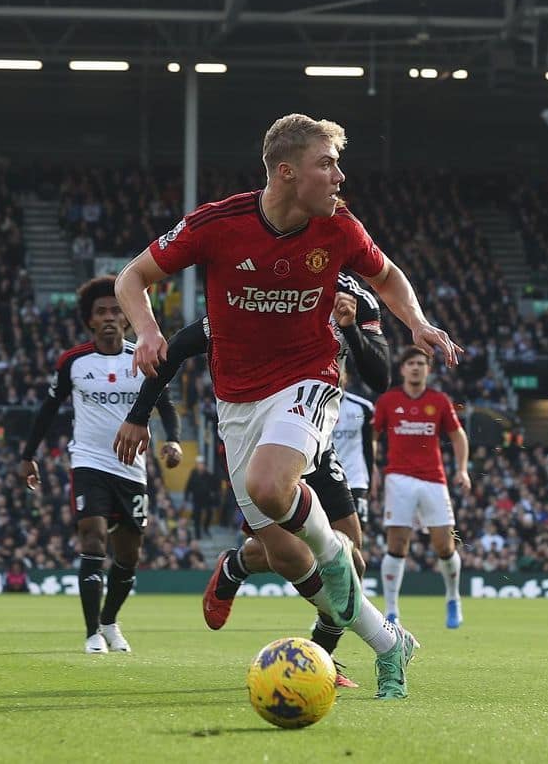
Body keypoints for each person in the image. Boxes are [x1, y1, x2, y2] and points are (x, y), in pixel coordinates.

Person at [113, 113, 459, 699]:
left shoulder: (340, 228)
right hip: (237, 403)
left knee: (276, 489)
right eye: (327, 164)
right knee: (286, 554)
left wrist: (418, 323)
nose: (339, 176)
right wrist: (146, 331)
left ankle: (335, 558)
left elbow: (390, 276)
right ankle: (387, 644)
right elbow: (133, 276)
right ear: (286, 172)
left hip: (309, 378)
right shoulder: (217, 224)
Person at [120, 275, 388, 688]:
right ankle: (238, 565)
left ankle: (321, 660)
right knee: (290, 555)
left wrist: (350, 327)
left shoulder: (355, 296)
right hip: (258, 438)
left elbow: (380, 376)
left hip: (312, 431)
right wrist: (139, 415)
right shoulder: (259, 285)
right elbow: (176, 349)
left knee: (352, 560)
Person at [19, 276, 183, 653]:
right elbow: (48, 409)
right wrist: (29, 455)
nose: (109, 317)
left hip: (133, 468)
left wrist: (172, 439)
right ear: (89, 320)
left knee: (128, 555)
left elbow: (166, 405)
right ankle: (92, 632)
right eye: (101, 312)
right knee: (92, 538)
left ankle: (110, 622)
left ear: (127, 317)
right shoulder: (73, 362)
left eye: (116, 310)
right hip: (88, 463)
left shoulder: (142, 358)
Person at [373, 345, 471, 628]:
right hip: (398, 478)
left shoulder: (439, 401)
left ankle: (453, 598)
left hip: (433, 479)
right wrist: (374, 470)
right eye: (411, 363)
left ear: (428, 369)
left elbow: (458, 436)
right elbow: (374, 436)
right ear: (402, 368)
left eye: (421, 363)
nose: (416, 367)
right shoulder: (388, 401)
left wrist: (462, 470)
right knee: (397, 544)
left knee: (444, 543)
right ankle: (391, 611)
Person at [185, 455, 220, 538]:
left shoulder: (208, 475)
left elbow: (215, 486)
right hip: (196, 499)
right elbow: (188, 485)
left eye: (202, 464)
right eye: (199, 464)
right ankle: (197, 534)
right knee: (197, 516)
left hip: (206, 499)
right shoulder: (193, 473)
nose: (201, 466)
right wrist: (186, 497)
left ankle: (205, 528)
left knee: (209, 513)